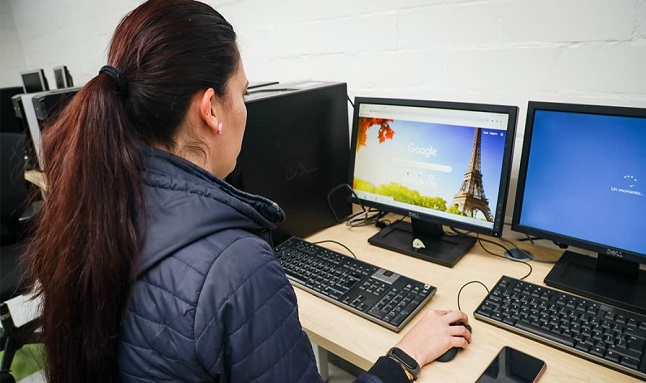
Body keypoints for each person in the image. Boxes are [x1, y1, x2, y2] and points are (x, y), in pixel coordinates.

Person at [24, 0, 472, 382]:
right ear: (211, 110)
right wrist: (404, 358)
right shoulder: (236, 265)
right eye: (243, 92)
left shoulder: (96, 204)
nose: (246, 107)